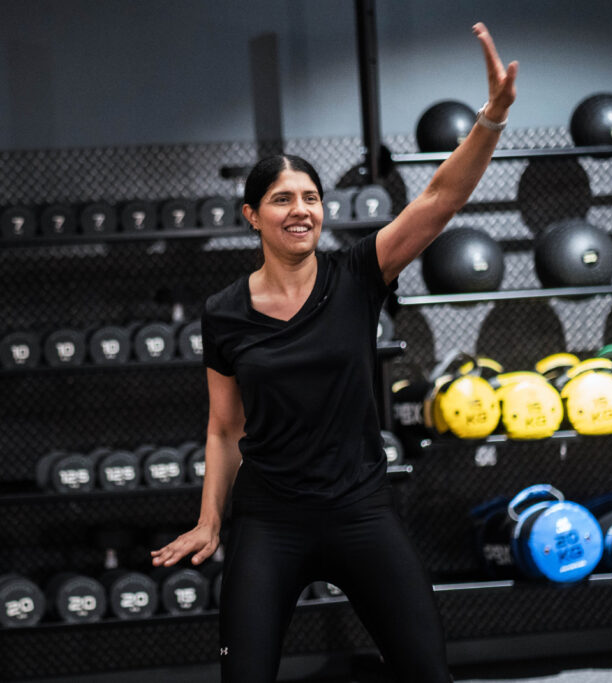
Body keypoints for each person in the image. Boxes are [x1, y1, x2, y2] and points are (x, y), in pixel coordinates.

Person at [151, 22, 517, 682]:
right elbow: (224, 425)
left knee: (428, 672)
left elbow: (440, 198)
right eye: (282, 199)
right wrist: (209, 519)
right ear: (251, 216)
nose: (301, 210)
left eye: (311, 198)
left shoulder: (357, 275)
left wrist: (490, 117)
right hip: (271, 520)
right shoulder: (225, 312)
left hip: (360, 511)